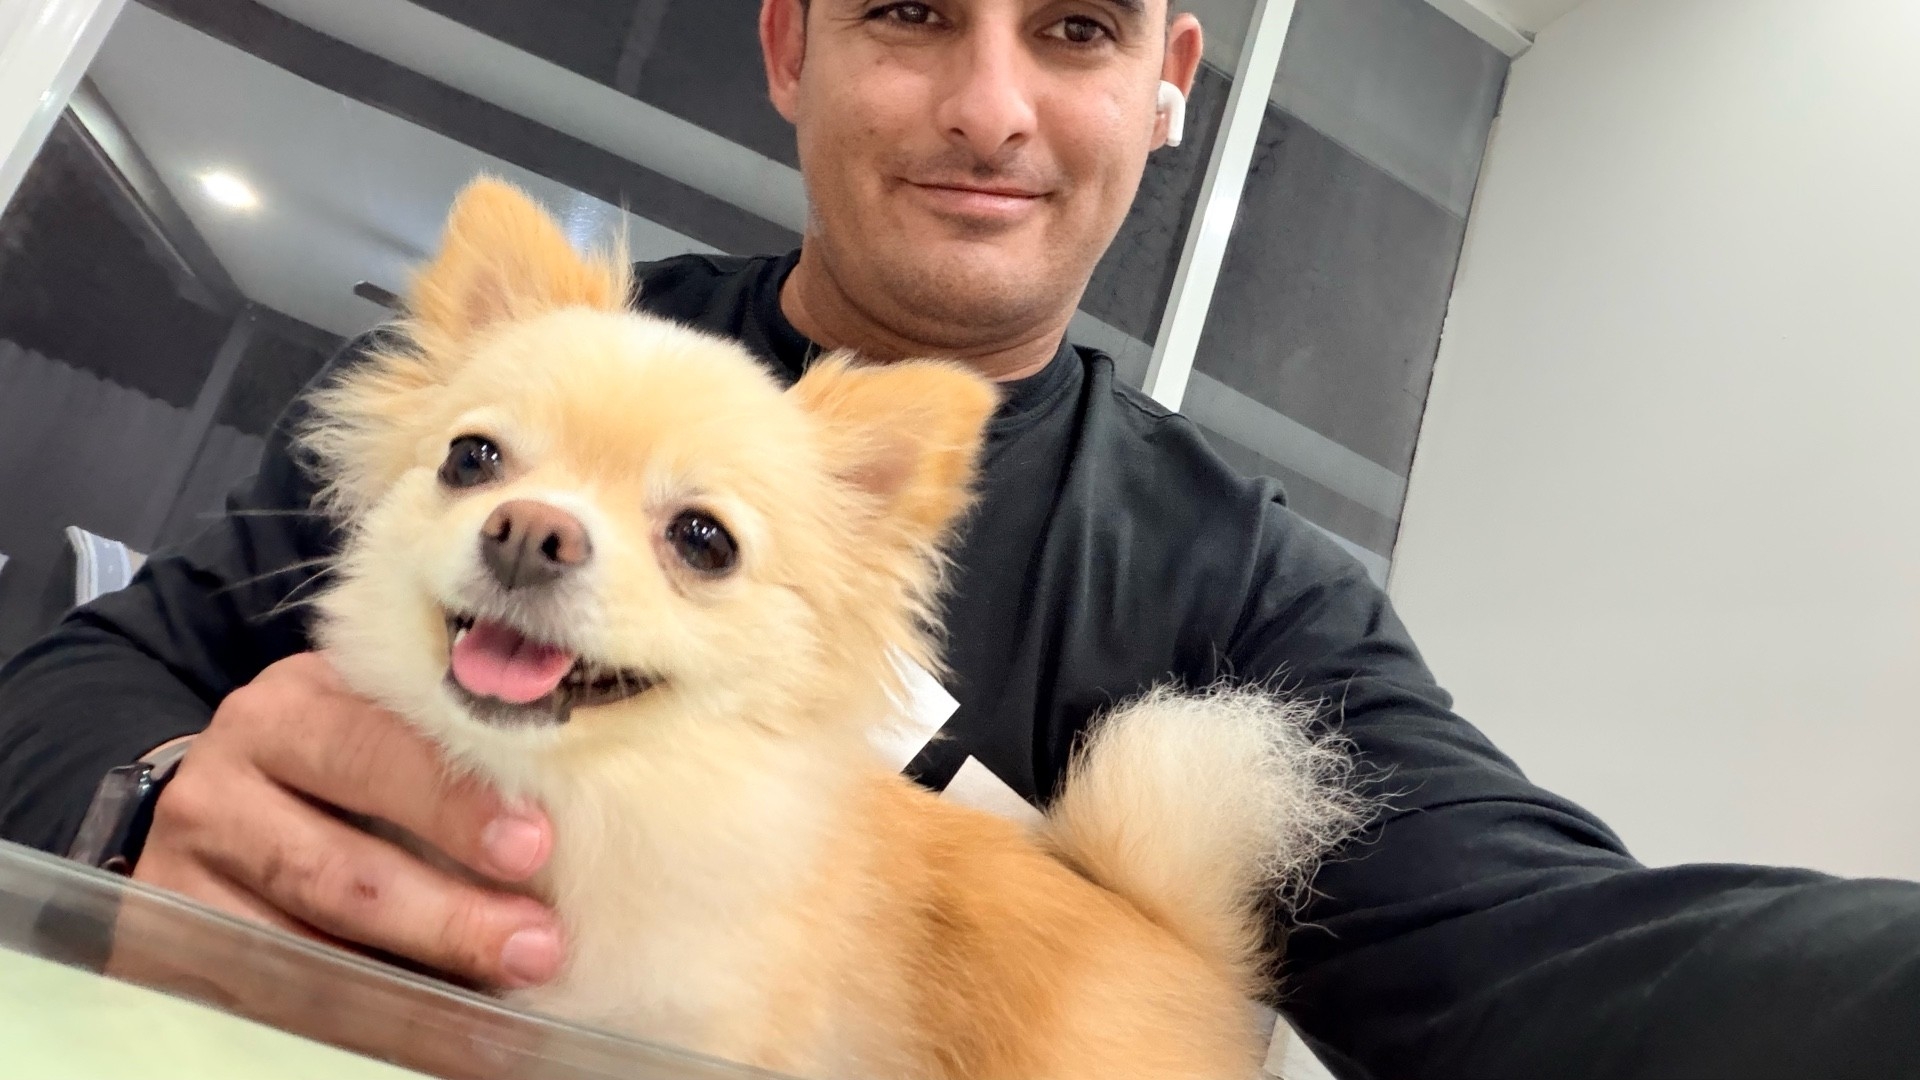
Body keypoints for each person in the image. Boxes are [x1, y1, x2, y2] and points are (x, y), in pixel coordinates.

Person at [3, 1, 1918, 1076]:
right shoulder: (532, 386)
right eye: (913, 10)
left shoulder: (1252, 588)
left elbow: (1551, 958)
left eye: (1072, 26)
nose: (990, 107)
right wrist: (148, 805)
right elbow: (80, 684)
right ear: (791, 46)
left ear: (1167, 84)